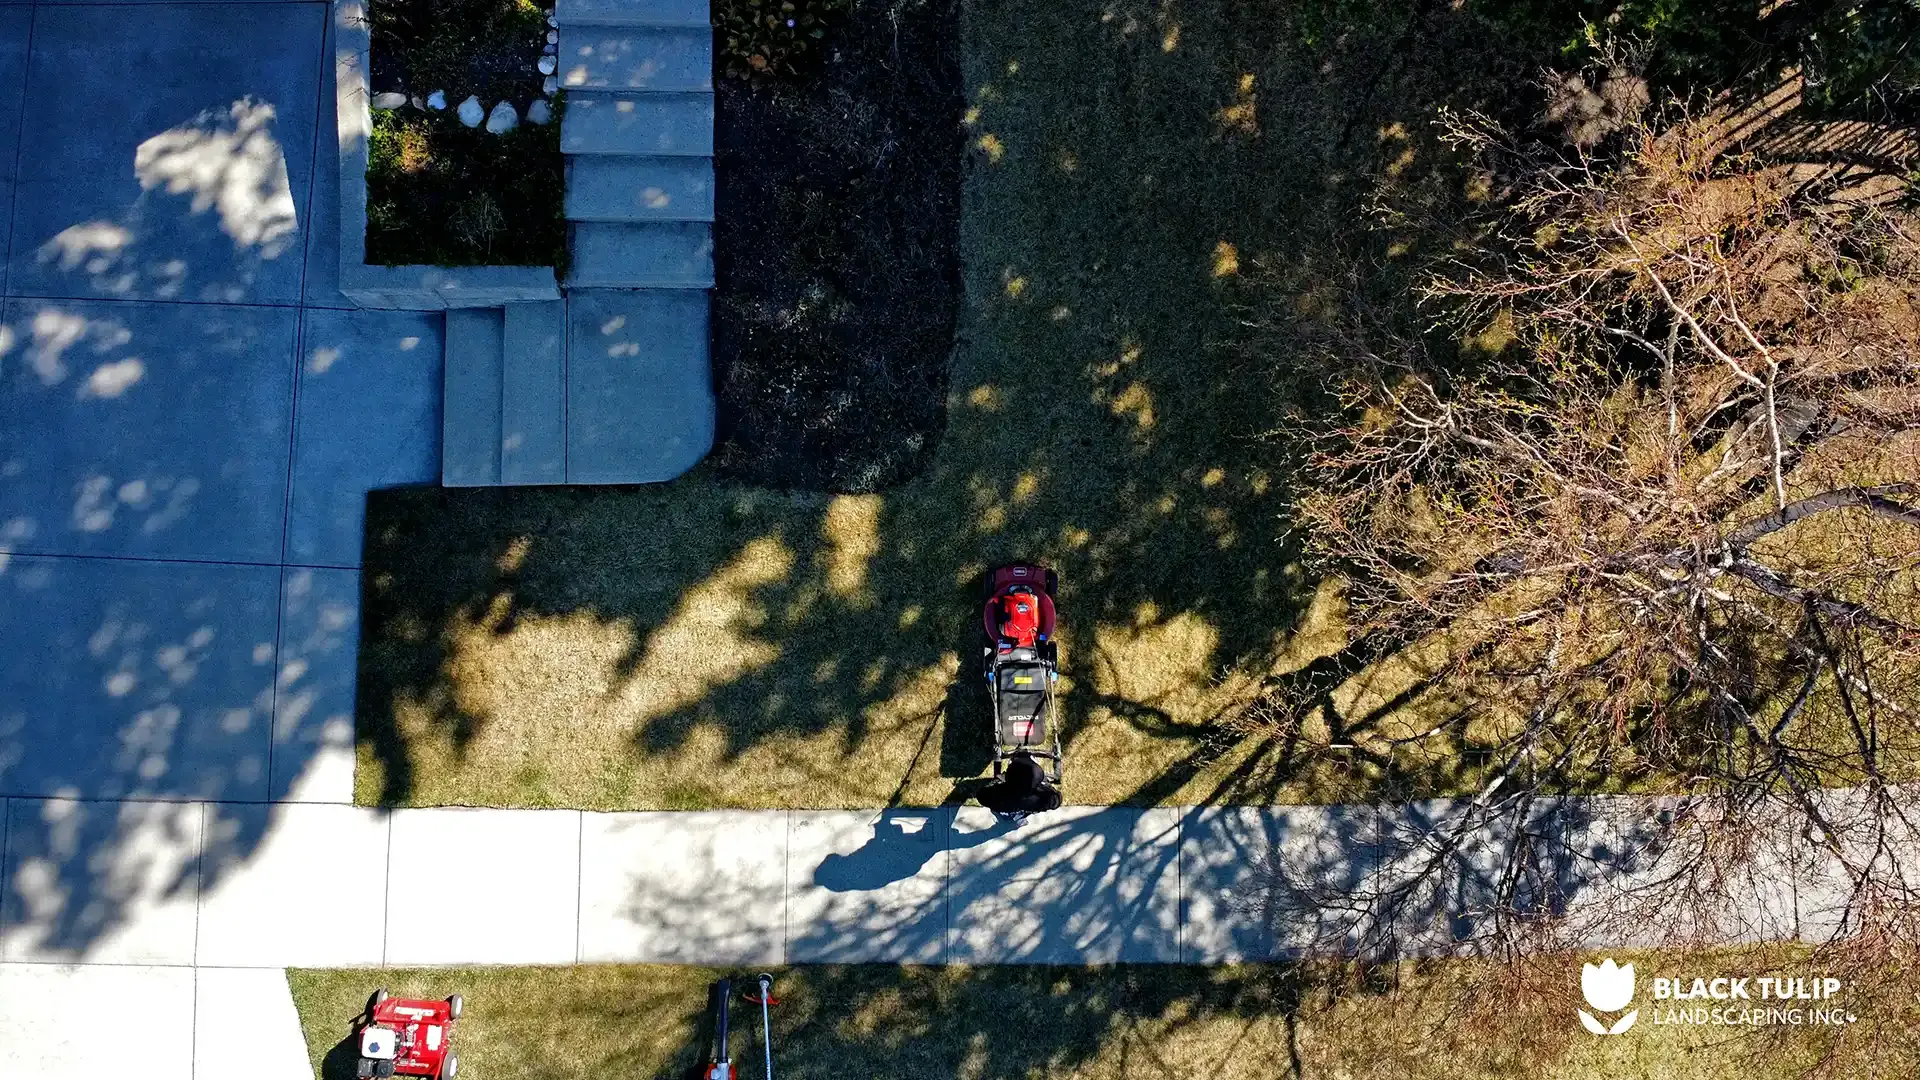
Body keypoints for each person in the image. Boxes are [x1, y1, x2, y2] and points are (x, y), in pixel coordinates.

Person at [978, 752, 1062, 820]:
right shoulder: (1041, 795)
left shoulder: (1037, 774)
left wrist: (997, 782)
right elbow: (1055, 800)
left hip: (1006, 800)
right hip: (1020, 801)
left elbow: (981, 795)